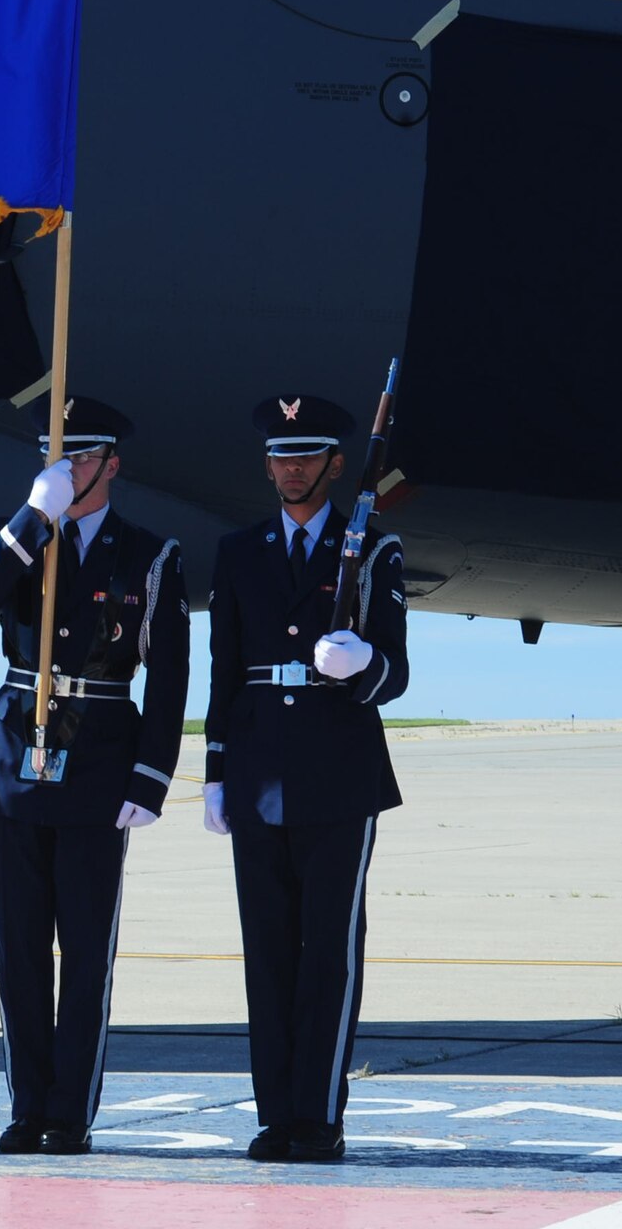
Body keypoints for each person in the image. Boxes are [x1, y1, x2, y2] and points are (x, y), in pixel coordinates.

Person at [0, 396, 188, 1157]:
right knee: (18, 948)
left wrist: (150, 777)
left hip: (97, 763)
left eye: (83, 457)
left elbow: (171, 677)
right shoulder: (23, 534)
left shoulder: (148, 555)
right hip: (15, 762)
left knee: (84, 950)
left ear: (112, 464)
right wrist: (32, 518)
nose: (69, 470)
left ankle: (70, 1110)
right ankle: (28, 1106)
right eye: (58, 457)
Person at [202, 393, 409, 1165]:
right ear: (267, 465)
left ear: (334, 465)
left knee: (327, 949)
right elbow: (225, 668)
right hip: (257, 766)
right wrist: (216, 770)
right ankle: (274, 1114)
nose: (291, 469)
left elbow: (397, 674)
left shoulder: (375, 551)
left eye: (306, 456)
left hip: (339, 770)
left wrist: (362, 667)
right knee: (268, 951)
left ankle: (318, 1116)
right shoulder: (239, 550)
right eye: (280, 456)